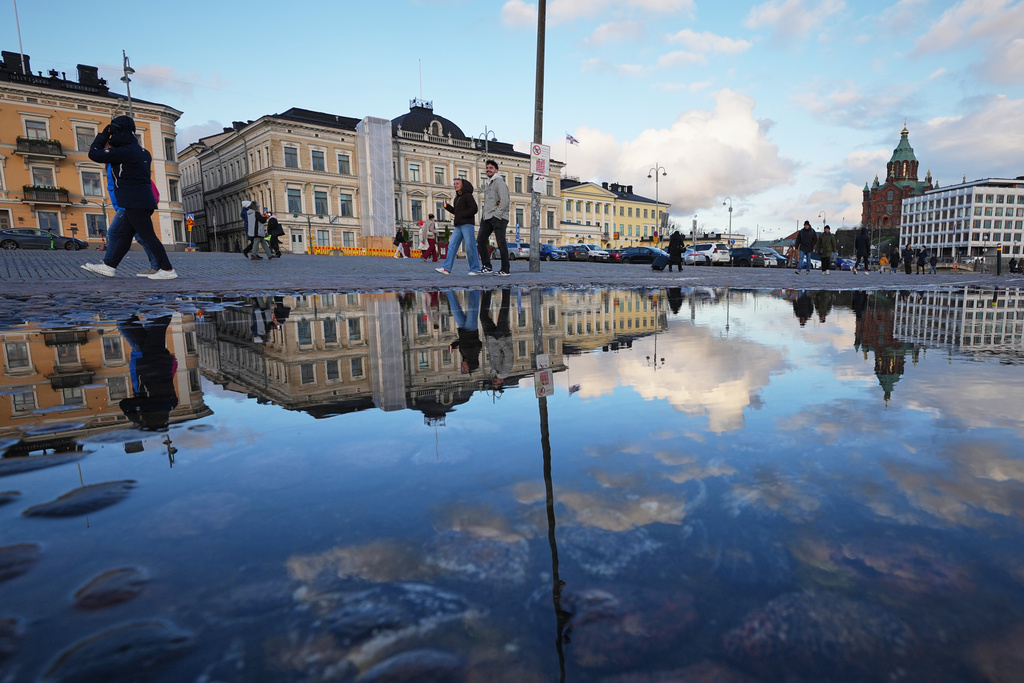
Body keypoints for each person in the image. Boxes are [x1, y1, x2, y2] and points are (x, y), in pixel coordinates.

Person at [81, 116, 176, 279]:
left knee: (147, 236)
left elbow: (94, 154)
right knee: (124, 236)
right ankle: (109, 266)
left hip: (135, 201)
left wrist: (103, 136)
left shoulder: (125, 152)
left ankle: (167, 270)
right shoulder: (141, 151)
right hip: (139, 200)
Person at [117, 314, 178, 431]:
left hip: (160, 362)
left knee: (154, 327)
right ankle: (162, 306)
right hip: (145, 361)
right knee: (127, 325)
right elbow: (124, 404)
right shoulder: (147, 406)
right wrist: (137, 420)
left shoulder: (170, 404)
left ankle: (159, 307)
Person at [103, 157, 160, 276]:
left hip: (129, 204)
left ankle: (108, 265)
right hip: (128, 204)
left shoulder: (121, 159)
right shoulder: (114, 162)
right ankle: (159, 266)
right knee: (142, 237)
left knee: (114, 233)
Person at [436, 178, 481, 275]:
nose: (455, 185)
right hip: (458, 225)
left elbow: (474, 209)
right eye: (454, 184)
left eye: (457, 184)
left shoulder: (468, 196)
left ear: (463, 185)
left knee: (470, 247)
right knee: (451, 246)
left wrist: (462, 214)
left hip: (467, 224)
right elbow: (456, 212)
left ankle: (475, 269)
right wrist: (447, 206)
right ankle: (446, 268)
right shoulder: (457, 198)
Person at [476, 160, 512, 276]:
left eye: (491, 168)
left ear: (496, 170)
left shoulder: (499, 182)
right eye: (487, 168)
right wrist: (485, 215)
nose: (488, 170)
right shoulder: (488, 183)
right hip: (487, 216)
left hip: (498, 217)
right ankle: (487, 266)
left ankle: (505, 270)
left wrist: (497, 214)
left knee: (501, 243)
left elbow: (505, 200)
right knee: (481, 240)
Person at [480, 288, 513, 390]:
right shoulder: (504, 372)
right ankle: (506, 290)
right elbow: (508, 354)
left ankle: (488, 291)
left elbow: (492, 353)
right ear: (501, 381)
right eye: (497, 384)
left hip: (491, 338)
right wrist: (501, 341)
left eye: (493, 384)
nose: (494, 382)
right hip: (501, 337)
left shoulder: (495, 372)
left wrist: (488, 341)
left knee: (483, 316)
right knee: (503, 312)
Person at [446, 289, 481, 374]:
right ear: (469, 366)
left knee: (455, 310)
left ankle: (448, 290)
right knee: (472, 308)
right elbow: (478, 343)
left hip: (462, 329)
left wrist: (451, 347)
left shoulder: (464, 355)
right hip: (471, 329)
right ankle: (476, 289)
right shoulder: (473, 354)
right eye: (464, 368)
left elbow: (461, 342)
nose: (461, 366)